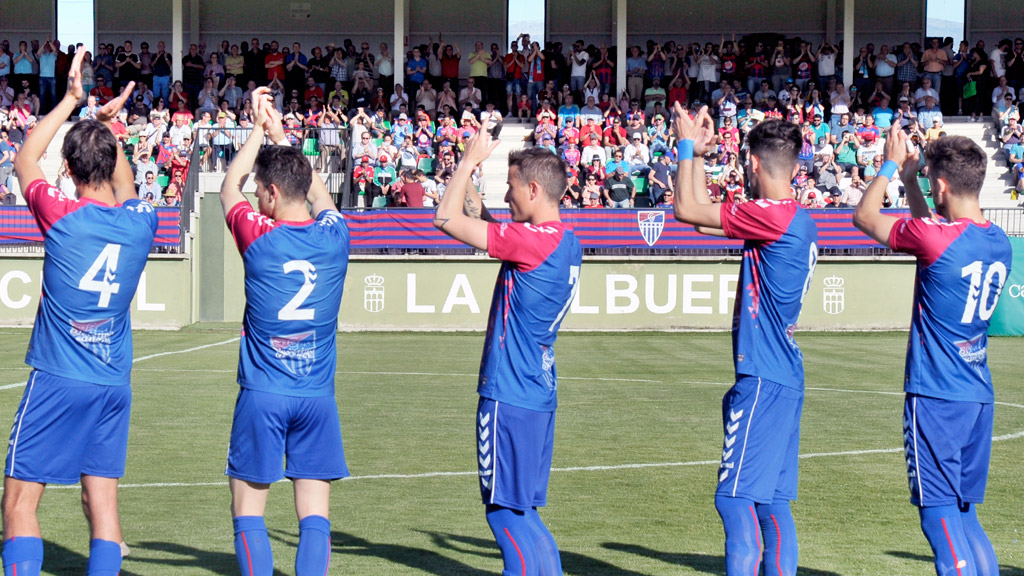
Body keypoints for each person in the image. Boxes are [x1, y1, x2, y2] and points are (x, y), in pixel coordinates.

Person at [2, 48, 156, 576]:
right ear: (112, 165)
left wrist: (72, 101)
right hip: (113, 381)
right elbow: (129, 188)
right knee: (104, 508)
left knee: (20, 503)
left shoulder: (62, 216)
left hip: (59, 377)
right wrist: (110, 135)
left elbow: (25, 158)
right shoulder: (141, 224)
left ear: (66, 170)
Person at [852, 127, 1012, 576]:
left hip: (937, 396)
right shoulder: (998, 238)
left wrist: (889, 166)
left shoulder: (935, 237)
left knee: (937, 514)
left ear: (940, 185)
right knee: (965, 513)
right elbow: (931, 231)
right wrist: (910, 182)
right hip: (978, 393)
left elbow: (865, 218)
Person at [671, 103, 819, 576]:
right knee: (771, 505)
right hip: (784, 376)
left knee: (734, 501)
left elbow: (684, 210)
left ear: (753, 163)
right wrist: (698, 155)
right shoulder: (794, 217)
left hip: (763, 376)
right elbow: (697, 219)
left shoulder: (771, 216)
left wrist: (687, 145)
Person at [432, 126, 582, 576]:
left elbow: (445, 218)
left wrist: (464, 165)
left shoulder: (530, 242)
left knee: (501, 512)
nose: (506, 193)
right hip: (538, 392)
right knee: (525, 513)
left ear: (534, 189)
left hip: (509, 394)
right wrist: (473, 180)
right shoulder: (564, 241)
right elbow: (493, 227)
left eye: (512, 185)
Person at [218, 87, 349, 576]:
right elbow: (318, 195)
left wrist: (256, 131)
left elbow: (229, 189)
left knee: (248, 512)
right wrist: (282, 136)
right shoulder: (335, 237)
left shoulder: (258, 235)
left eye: (262, 190)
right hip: (316, 396)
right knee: (315, 515)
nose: (256, 194)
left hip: (264, 393)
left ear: (272, 194)